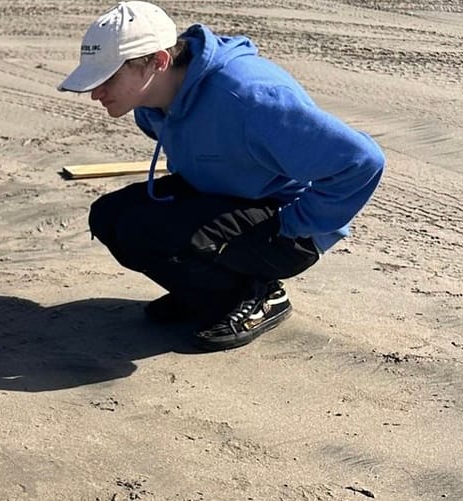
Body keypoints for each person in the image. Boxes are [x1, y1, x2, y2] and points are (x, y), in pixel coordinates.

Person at [59, 1, 385, 350]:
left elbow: (361, 162)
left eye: (108, 77)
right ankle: (203, 294)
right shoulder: (151, 102)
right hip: (228, 197)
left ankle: (259, 296)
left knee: (147, 229)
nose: (96, 92)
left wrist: (294, 229)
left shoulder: (250, 98)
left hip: (285, 222)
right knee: (109, 217)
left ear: (158, 61)